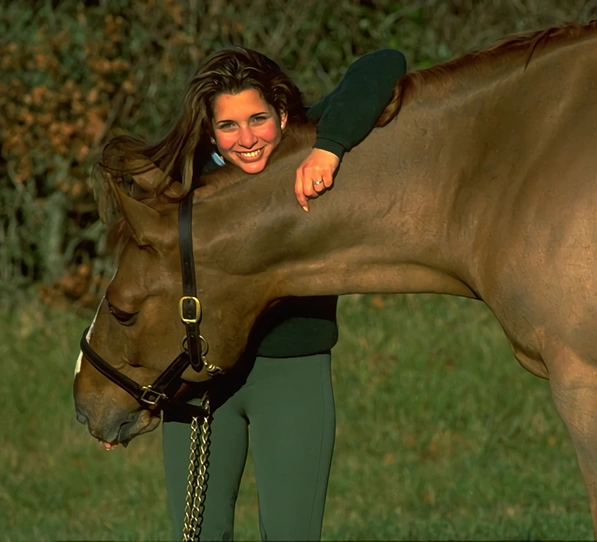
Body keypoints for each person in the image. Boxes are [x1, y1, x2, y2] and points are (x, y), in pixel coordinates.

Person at [98, 46, 406, 541]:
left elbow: (384, 63)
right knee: (200, 536)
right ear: (209, 131)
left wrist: (329, 148)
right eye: (229, 126)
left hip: (293, 373)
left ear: (282, 114)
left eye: (258, 119)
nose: (247, 139)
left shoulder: (308, 146)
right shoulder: (184, 188)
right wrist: (128, 395)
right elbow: (138, 296)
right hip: (202, 389)